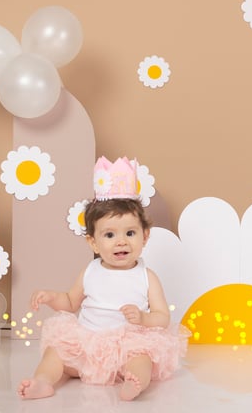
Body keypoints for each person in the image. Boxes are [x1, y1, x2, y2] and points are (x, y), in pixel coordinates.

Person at [18, 157, 188, 401]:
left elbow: (162, 317)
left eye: (130, 233)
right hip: (87, 343)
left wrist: (143, 318)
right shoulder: (90, 271)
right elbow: (70, 303)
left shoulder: (146, 277)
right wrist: (52, 297)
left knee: (142, 359)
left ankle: (134, 383)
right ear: (93, 242)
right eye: (109, 235)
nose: (121, 242)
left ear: (145, 236)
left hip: (128, 345)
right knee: (56, 352)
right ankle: (43, 381)